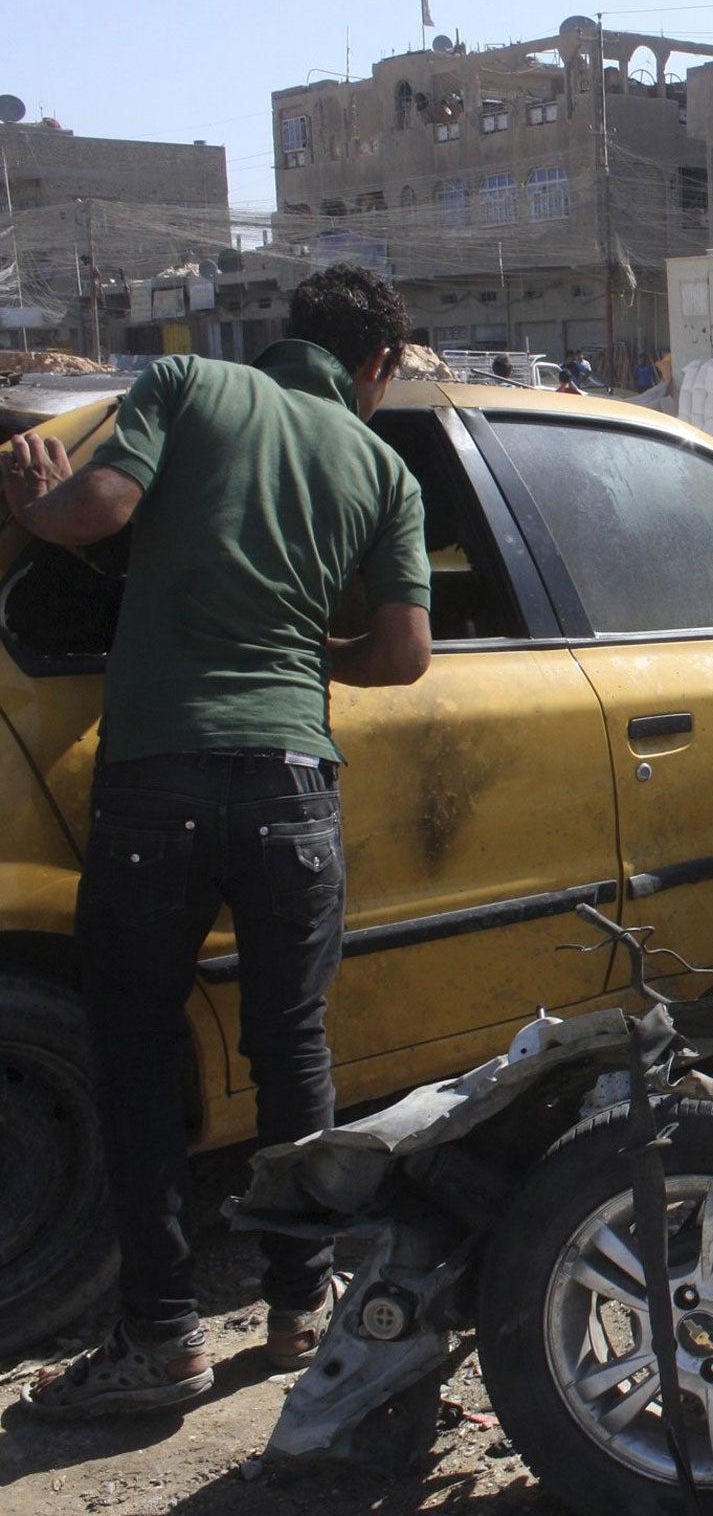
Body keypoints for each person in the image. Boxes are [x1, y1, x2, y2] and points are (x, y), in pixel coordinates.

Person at [4, 263, 431, 1419]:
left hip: (159, 786)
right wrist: (300, 658)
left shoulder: (189, 383)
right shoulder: (382, 466)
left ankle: (162, 1342)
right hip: (295, 786)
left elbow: (98, 512)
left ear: (287, 334)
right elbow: (402, 657)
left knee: (141, 1061)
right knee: (294, 1056)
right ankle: (299, 1310)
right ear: (375, 366)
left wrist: (35, 507)